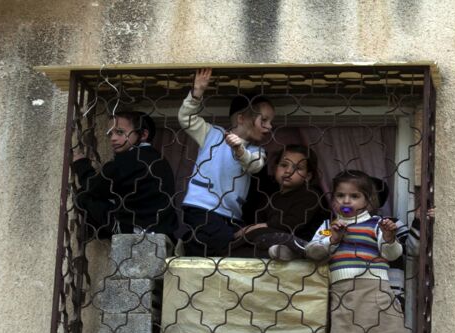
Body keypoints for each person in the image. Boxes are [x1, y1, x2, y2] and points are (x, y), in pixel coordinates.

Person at [304, 170, 412, 333]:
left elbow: (391, 254)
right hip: (343, 289)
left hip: (372, 286)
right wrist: (333, 239)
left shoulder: (376, 224)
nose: (346, 200)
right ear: (333, 199)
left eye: (354, 196)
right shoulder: (328, 225)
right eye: (341, 195)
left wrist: (390, 238)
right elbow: (312, 251)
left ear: (368, 200)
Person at [178, 68, 275, 256]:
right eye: (264, 120)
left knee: (227, 248)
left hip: (231, 215)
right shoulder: (212, 134)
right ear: (241, 118)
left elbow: (254, 165)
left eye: (271, 121)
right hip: (203, 207)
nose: (269, 126)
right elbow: (186, 119)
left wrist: (239, 149)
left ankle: (190, 245)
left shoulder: (257, 151)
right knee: (225, 246)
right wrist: (196, 93)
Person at [71, 111, 176, 241]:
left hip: (136, 230)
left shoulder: (129, 159)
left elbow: (93, 186)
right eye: (110, 133)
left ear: (143, 134)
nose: (113, 138)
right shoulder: (156, 158)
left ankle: (97, 233)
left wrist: (81, 165)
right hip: (162, 230)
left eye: (120, 132)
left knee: (83, 195)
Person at [231, 144, 326, 258]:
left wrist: (258, 227)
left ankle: (305, 251)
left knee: (263, 233)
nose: (288, 171)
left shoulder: (311, 195)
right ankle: (283, 252)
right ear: (275, 168)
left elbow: (291, 223)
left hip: (296, 238)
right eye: (284, 165)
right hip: (267, 241)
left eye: (297, 168)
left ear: (308, 176)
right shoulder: (269, 193)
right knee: (247, 242)